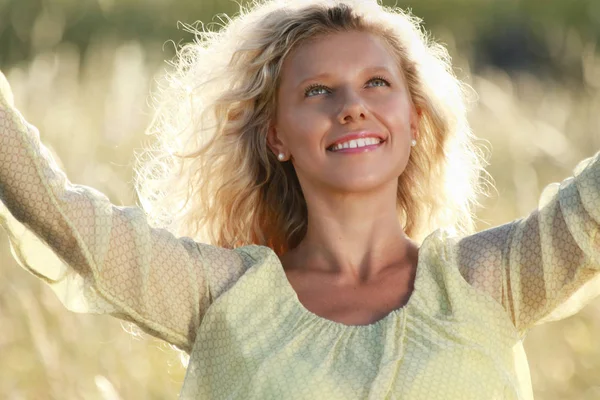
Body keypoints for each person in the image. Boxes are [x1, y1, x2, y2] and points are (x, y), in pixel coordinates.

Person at [0, 0, 598, 399]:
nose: (352, 105)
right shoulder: (221, 296)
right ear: (276, 135)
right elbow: (54, 208)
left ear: (414, 120)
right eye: (318, 90)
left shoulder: (489, 281)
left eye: (376, 83)